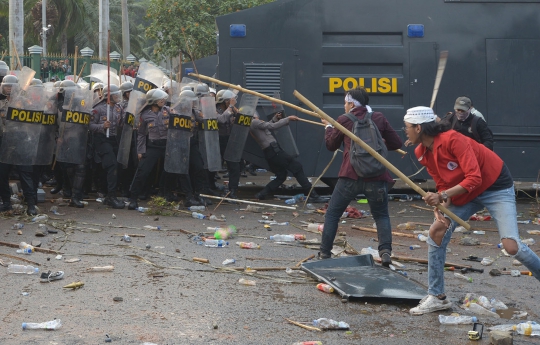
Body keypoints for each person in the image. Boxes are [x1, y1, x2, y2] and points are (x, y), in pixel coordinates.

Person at [402, 106, 540, 315]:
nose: (405, 131)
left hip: (495, 186)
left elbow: (474, 178)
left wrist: (443, 196)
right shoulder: (421, 151)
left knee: (512, 246)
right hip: (465, 192)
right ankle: (437, 296)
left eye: (407, 127)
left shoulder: (453, 140)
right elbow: (441, 182)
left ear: (419, 128)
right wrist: (439, 207)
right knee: (437, 231)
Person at [319, 87, 402, 265]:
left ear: (351, 103)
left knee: (333, 214)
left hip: (350, 176)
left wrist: (328, 127)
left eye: (345, 102)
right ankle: (386, 252)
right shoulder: (379, 118)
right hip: (377, 177)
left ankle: (324, 254)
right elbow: (396, 143)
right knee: (381, 215)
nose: (344, 106)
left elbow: (331, 145)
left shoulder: (344, 120)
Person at [128, 89, 201, 210]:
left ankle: (189, 197)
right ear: (153, 101)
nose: (163, 101)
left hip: (169, 145)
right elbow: (141, 134)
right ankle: (133, 198)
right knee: (143, 171)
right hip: (153, 146)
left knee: (180, 169)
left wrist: (175, 115)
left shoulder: (169, 111)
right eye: (160, 99)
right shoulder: (145, 115)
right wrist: (140, 151)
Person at [251, 111, 325, 202]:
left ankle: (261, 194)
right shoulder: (254, 122)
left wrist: (275, 119)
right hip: (274, 151)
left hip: (270, 153)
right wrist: (288, 119)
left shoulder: (253, 124)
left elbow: (267, 125)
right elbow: (272, 126)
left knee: (281, 175)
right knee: (297, 167)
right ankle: (313, 195)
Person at [0, 75, 38, 215]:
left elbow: (33, 118)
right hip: (4, 141)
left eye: (12, 86)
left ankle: (31, 204)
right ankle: (6, 203)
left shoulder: (24, 101)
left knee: (25, 173)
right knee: (2, 174)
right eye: (7, 86)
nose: (9, 88)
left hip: (21, 139)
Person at [89, 84, 125, 209]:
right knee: (111, 165)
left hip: (114, 139)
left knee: (116, 166)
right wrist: (102, 126)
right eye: (115, 95)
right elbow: (90, 125)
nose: (117, 97)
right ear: (108, 96)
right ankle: (111, 196)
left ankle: (107, 192)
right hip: (102, 140)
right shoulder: (98, 109)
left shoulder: (118, 108)